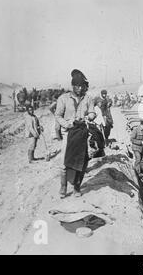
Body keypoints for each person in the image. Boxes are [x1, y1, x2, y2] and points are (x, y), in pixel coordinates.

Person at [55, 69, 95, 199]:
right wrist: (67, 124)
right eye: (77, 86)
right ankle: (63, 186)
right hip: (69, 133)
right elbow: (58, 116)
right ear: (72, 86)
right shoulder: (63, 98)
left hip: (82, 132)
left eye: (82, 86)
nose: (80, 88)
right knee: (64, 161)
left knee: (82, 161)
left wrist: (90, 116)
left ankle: (77, 187)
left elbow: (92, 112)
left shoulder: (88, 98)